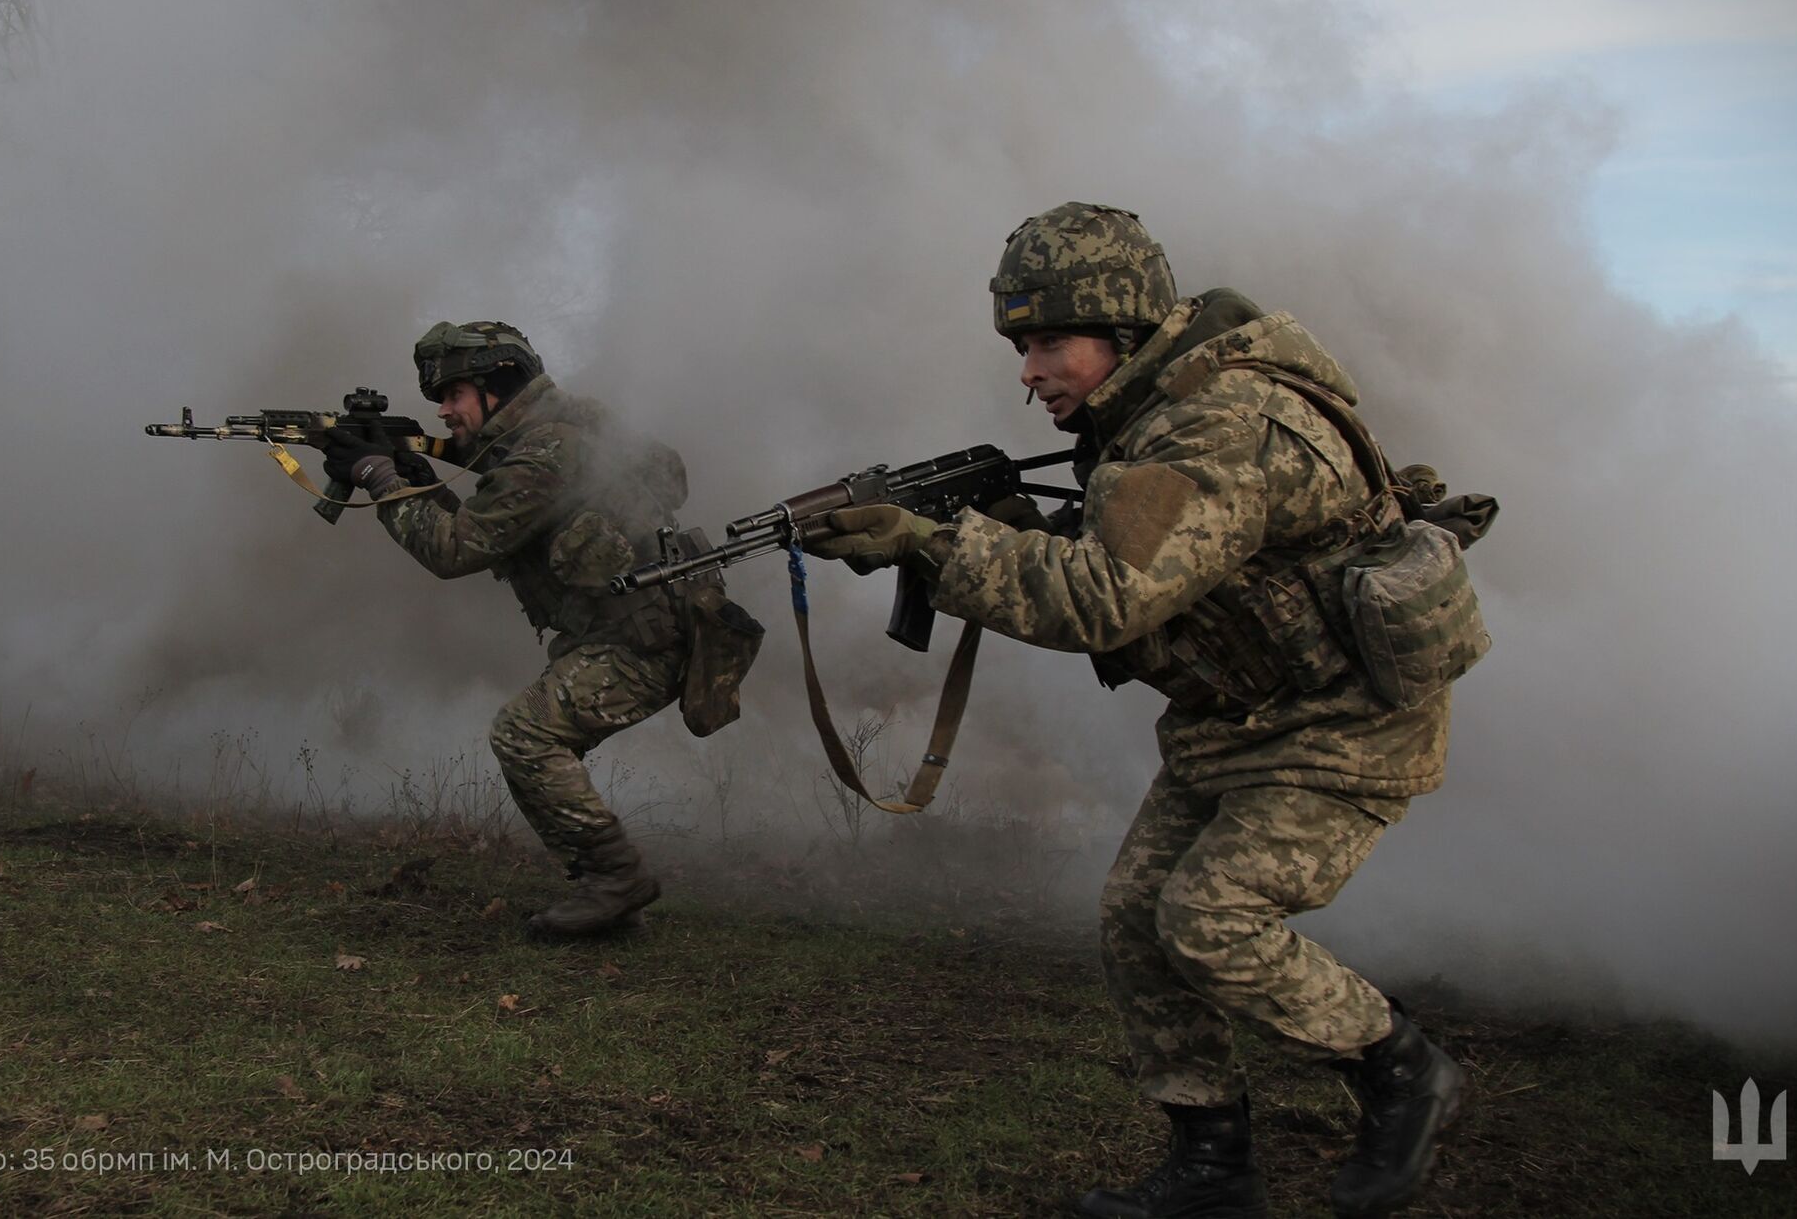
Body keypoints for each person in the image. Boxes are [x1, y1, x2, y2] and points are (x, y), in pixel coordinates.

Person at [802, 203, 1478, 1218]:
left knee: (1208, 918)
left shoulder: (1214, 423)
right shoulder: (1145, 418)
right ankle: (1210, 1170)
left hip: (1340, 724)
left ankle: (1398, 1066)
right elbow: (1125, 566)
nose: (1028, 371)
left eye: (1047, 343)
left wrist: (928, 545)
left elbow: (1103, 598)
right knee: (1133, 920)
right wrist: (997, 526)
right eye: (1018, 345)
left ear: (1121, 333)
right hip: (1234, 719)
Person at [325, 320, 713, 940]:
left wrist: (379, 477)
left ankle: (616, 880)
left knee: (525, 735)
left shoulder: (545, 450)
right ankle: (613, 900)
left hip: (642, 640)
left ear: (496, 387)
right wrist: (408, 468)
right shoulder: (561, 430)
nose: (445, 411)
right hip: (639, 627)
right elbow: (488, 519)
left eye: (453, 395)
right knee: (533, 738)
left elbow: (455, 550)